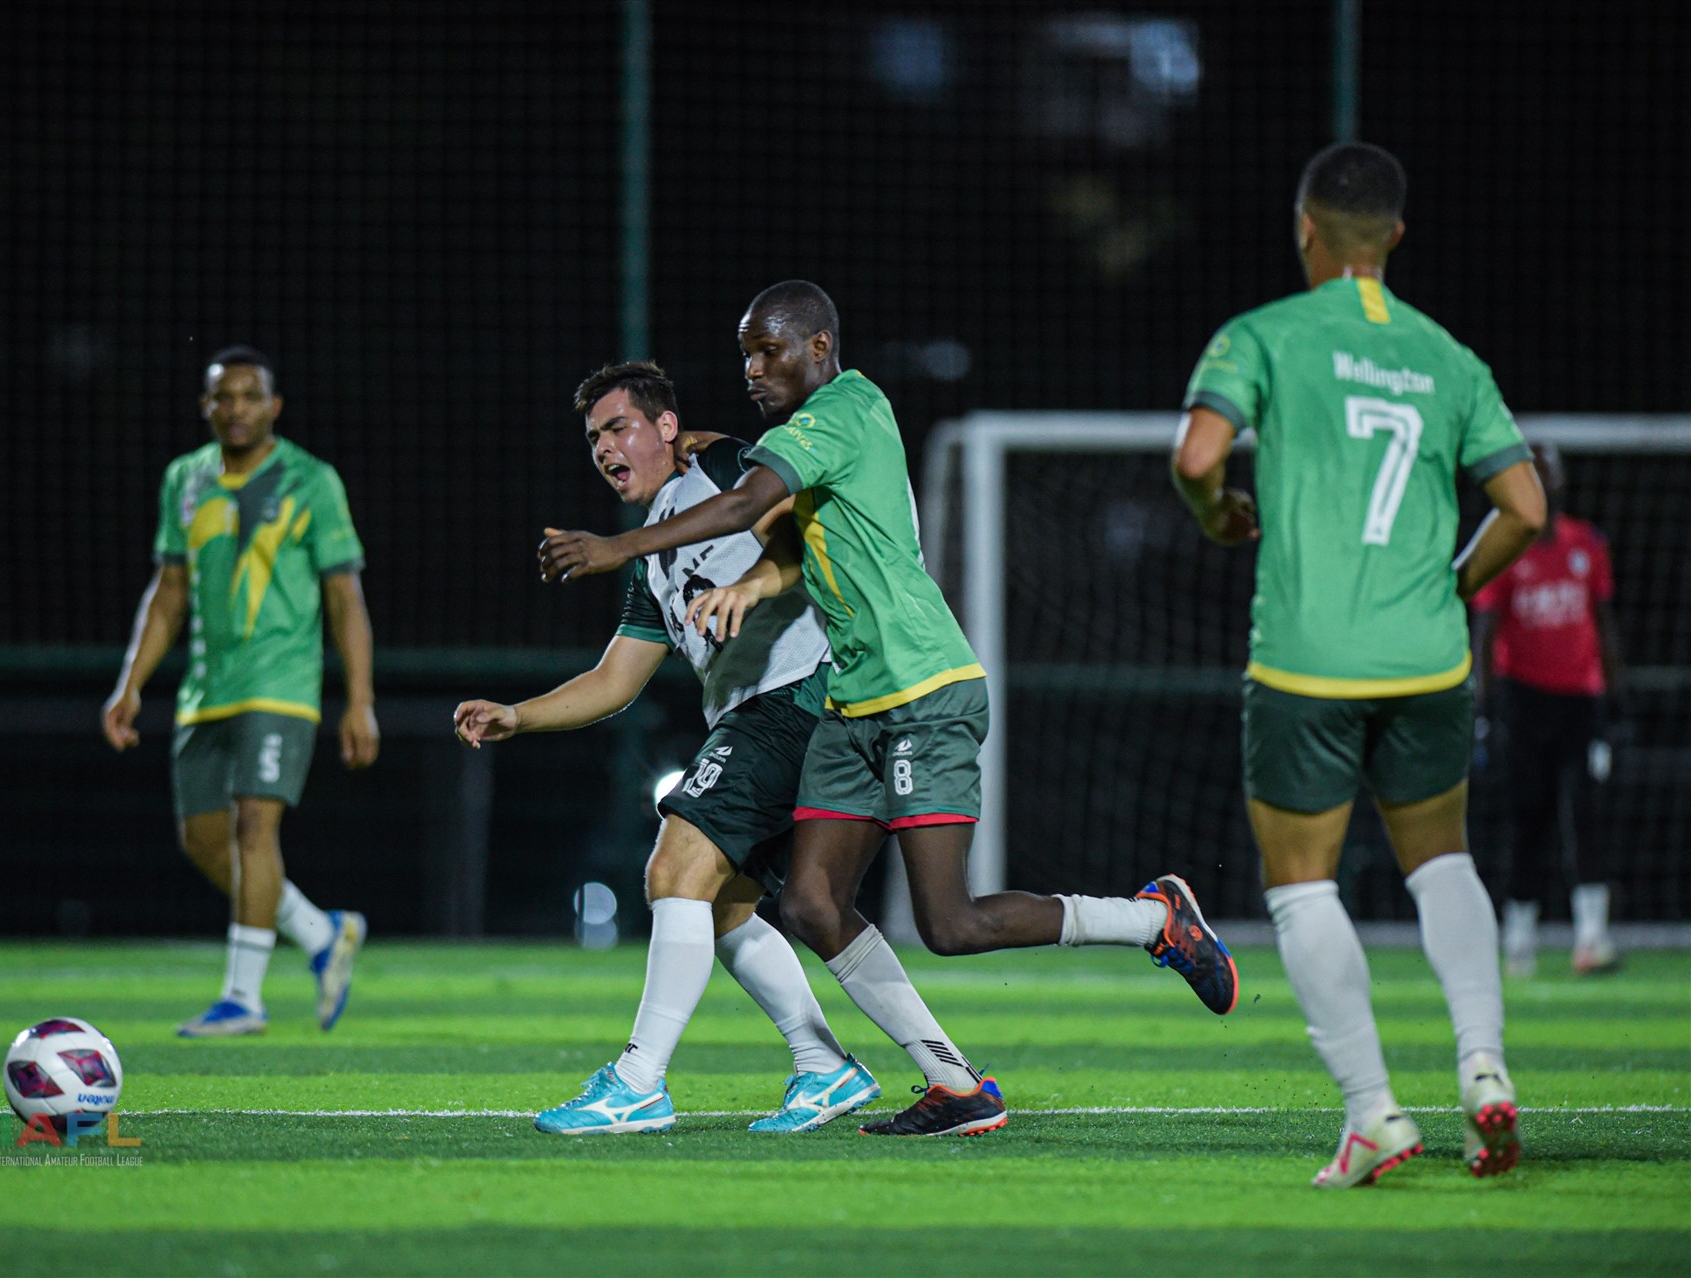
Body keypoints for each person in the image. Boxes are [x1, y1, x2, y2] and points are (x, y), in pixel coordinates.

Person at [541, 283, 1236, 1138]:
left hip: (923, 689)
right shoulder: (788, 439)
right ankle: (951, 1085)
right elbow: (763, 528)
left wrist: (617, 547)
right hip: (851, 701)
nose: (753, 370)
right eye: (746, 355)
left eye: (768, 351)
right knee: (811, 904)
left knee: (950, 923)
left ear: (820, 346)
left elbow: (746, 504)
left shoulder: (846, 408)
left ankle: (1152, 919)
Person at [1171, 142, 1545, 1186]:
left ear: (1306, 229)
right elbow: (1525, 510)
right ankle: (1482, 1063)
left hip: (1307, 662)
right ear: (1395, 236)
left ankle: (1374, 1112)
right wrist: (1455, 588)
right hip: (1427, 660)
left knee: (1302, 886)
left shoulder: (1264, 335)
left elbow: (1197, 458)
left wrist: (1217, 512)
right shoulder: (1449, 357)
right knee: (1444, 863)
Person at [457, 360, 893, 1134]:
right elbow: (616, 678)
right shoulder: (655, 556)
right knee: (723, 905)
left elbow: (800, 534)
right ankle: (827, 1066)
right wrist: (518, 717)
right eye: (594, 437)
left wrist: (747, 582)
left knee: (675, 867)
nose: (603, 447)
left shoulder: (719, 469)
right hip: (764, 715)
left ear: (667, 427)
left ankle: (638, 1082)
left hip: (797, 694)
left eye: (618, 427)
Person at [102, 345, 379, 1037]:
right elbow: (169, 591)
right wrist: (130, 684)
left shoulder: (311, 480)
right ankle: (320, 932)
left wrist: (360, 701)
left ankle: (242, 998)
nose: (236, 409)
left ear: (274, 406)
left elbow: (345, 597)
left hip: (281, 684)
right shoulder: (185, 479)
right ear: (206, 406)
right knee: (203, 841)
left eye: (250, 396)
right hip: (206, 689)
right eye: (223, 397)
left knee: (256, 827)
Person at [1473, 442, 1624, 977]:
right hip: (1523, 700)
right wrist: (1483, 709)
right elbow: (1485, 631)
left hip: (1580, 701)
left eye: (1551, 474)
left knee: (1586, 813)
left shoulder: (1588, 544)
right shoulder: (1504, 547)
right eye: (1536, 474)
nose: (1546, 484)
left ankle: (1592, 937)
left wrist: (1616, 702)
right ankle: (1519, 937)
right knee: (1528, 816)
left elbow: (1603, 625)